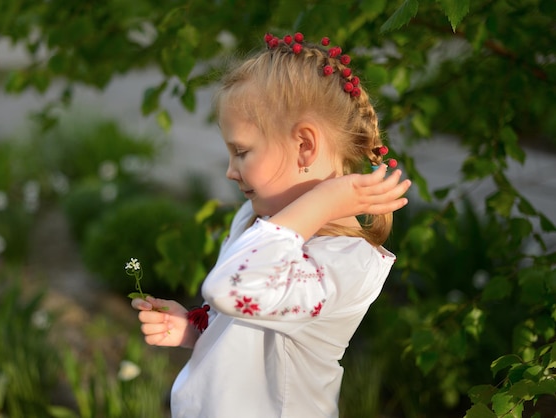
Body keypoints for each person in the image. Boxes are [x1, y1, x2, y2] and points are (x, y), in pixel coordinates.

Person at [132, 31, 412, 418]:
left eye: (242, 152)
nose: (231, 171)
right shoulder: (261, 223)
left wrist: (325, 199)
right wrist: (198, 329)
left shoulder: (344, 263)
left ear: (304, 147)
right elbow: (243, 313)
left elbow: (228, 287)